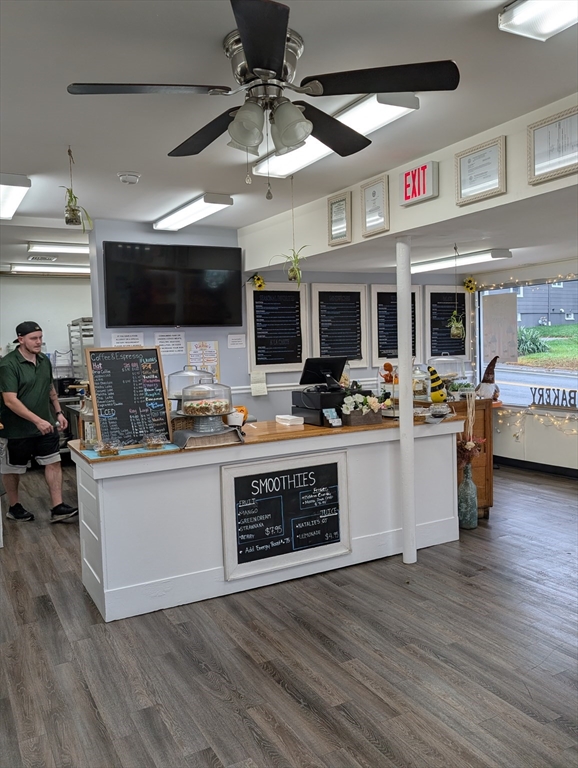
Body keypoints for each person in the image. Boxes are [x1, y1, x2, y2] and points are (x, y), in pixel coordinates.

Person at [0, 321, 78, 522]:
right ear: (20, 339)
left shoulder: (43, 360)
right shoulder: (8, 364)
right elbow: (10, 400)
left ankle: (57, 507)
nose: (38, 342)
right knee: (12, 469)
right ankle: (14, 507)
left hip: (46, 425)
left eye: (40, 338)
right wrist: (37, 421)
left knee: (53, 462)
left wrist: (59, 412)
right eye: (34, 338)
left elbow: (49, 387)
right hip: (16, 430)